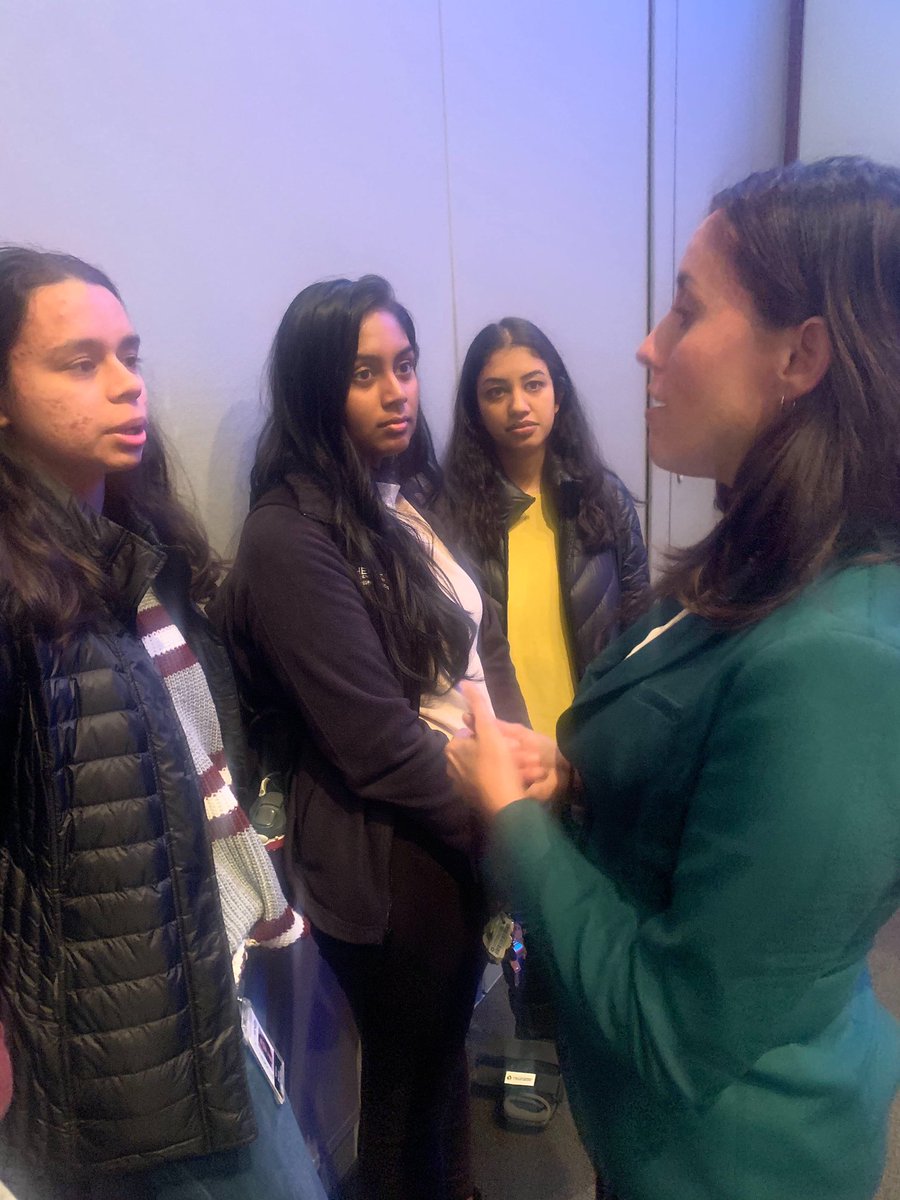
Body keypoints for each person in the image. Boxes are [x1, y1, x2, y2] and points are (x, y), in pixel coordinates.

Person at [446, 156, 900, 1200]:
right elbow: (706, 772)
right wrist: (572, 774)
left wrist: (512, 821)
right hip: (645, 1140)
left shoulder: (842, 658)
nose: (649, 345)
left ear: (801, 356)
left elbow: (678, 1022)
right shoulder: (759, 557)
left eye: (687, 311)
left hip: (732, 1161)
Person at [0, 247, 325, 1200]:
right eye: (80, 363)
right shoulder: (17, 592)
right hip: (117, 1067)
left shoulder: (140, 559)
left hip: (206, 987)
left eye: (129, 356)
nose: (125, 384)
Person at [210, 275, 527, 1200]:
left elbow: (475, 654)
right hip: (394, 852)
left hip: (457, 820)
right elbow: (377, 744)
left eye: (406, 365)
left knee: (441, 1066)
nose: (398, 391)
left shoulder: (402, 497)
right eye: (364, 373)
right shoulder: (285, 536)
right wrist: (501, 824)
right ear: (316, 388)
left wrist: (514, 767)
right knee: (401, 1095)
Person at [442, 317, 648, 739]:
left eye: (534, 385)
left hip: (591, 742)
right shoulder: (449, 516)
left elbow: (639, 628)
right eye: (496, 392)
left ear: (558, 397)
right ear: (476, 411)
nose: (519, 405)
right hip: (501, 747)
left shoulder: (606, 500)